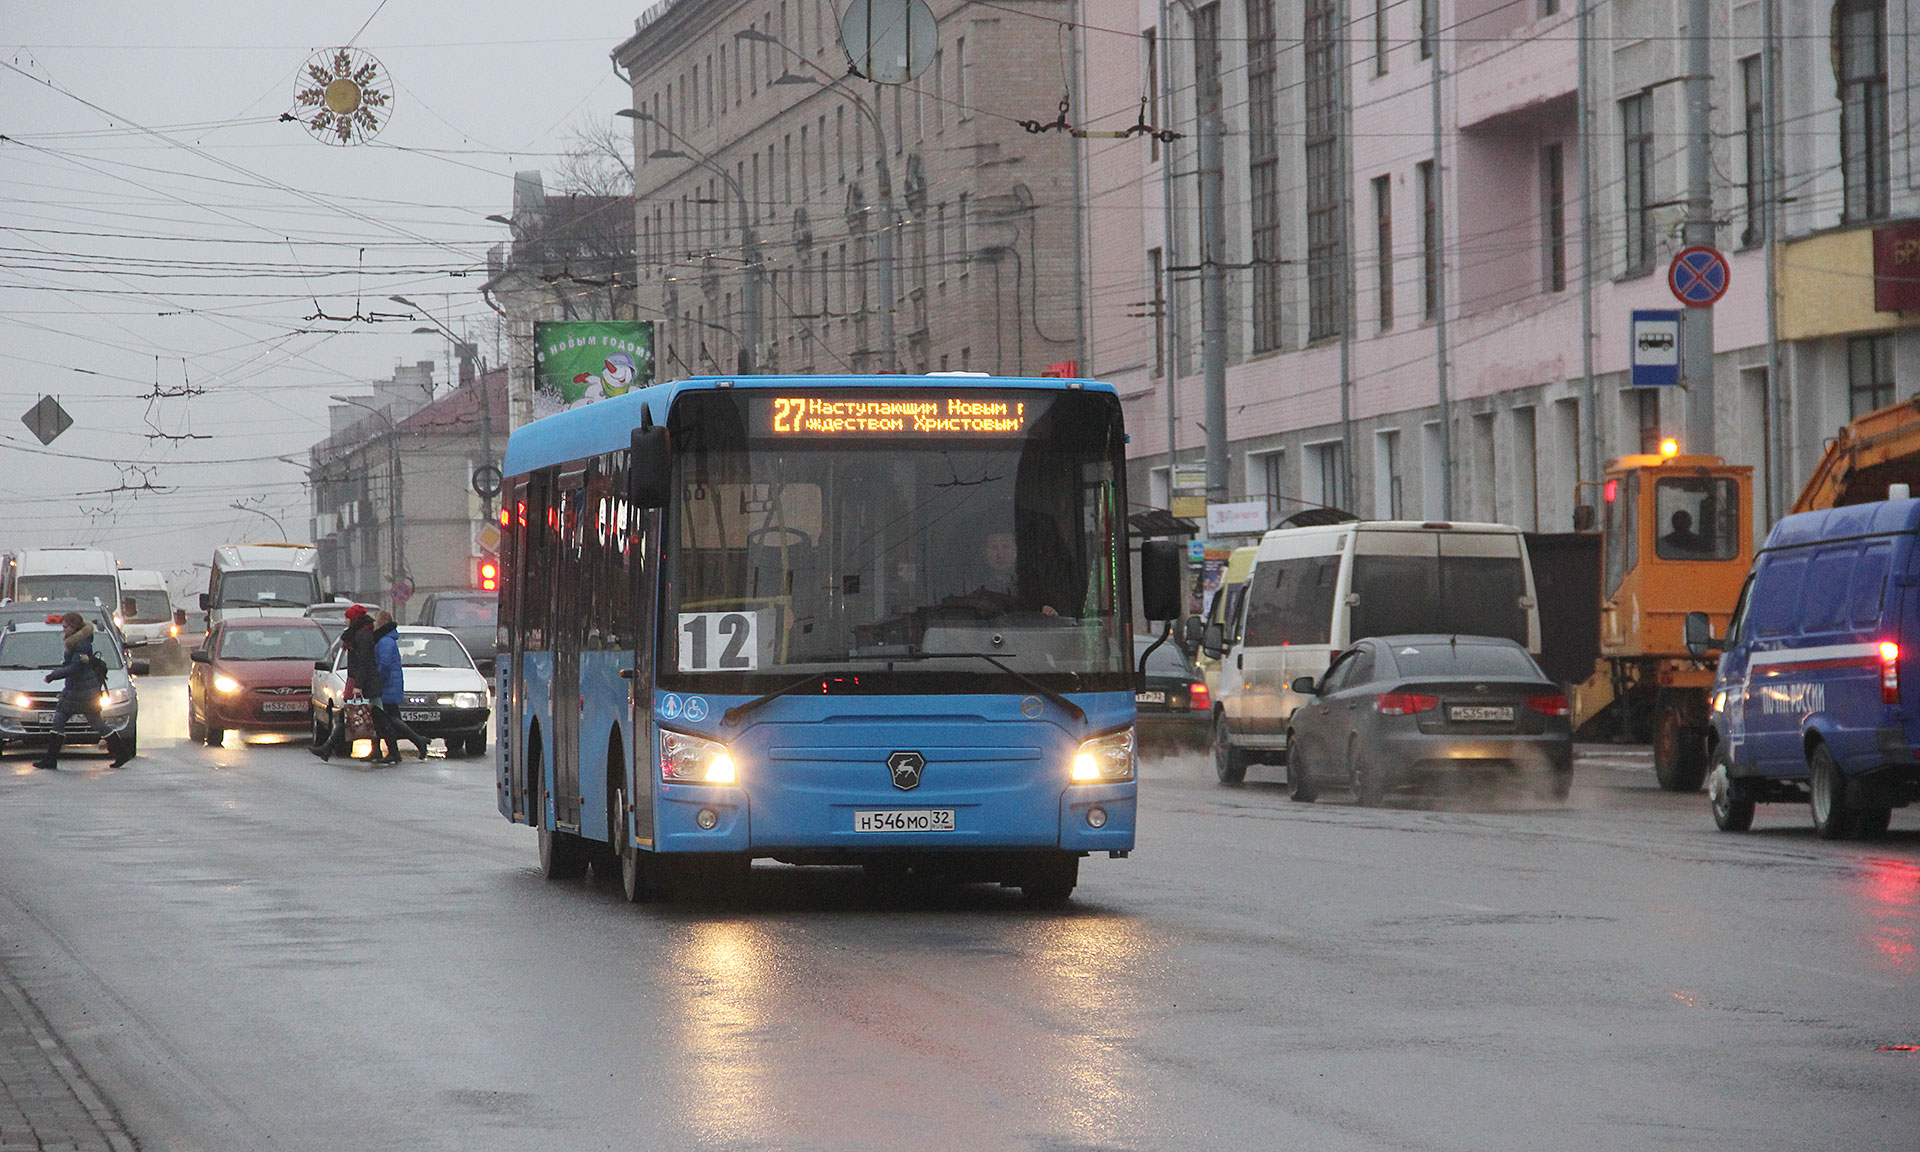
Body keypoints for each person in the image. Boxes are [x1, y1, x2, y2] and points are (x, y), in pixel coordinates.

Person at [33, 612, 132, 770]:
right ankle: (121, 753)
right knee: (96, 723)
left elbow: (76, 668)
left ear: (74, 627)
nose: (63, 629)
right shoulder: (79, 642)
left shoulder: (81, 644)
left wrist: (53, 675)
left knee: (60, 720)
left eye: (66, 627)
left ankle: (50, 759)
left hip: (80, 692)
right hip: (83, 690)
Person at [312, 606, 377, 761]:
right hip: (356, 680)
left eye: (347, 617)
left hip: (361, 682)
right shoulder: (356, 634)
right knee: (348, 715)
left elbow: (364, 662)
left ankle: (327, 748)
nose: (345, 620)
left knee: (362, 716)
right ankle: (327, 748)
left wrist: (358, 685)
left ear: (353, 619)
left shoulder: (362, 635)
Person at [946, 530, 1058, 617]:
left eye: (1006, 547)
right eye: (993, 547)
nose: (999, 554)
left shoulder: (1033, 586)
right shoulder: (972, 583)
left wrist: (1049, 612)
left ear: (1016, 551)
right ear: (984, 553)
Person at [371, 611, 429, 762]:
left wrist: (377, 681)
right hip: (391, 684)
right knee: (391, 719)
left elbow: (384, 665)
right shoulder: (387, 639)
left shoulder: (384, 641)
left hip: (387, 685)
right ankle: (412, 743)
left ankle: (415, 742)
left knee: (390, 719)